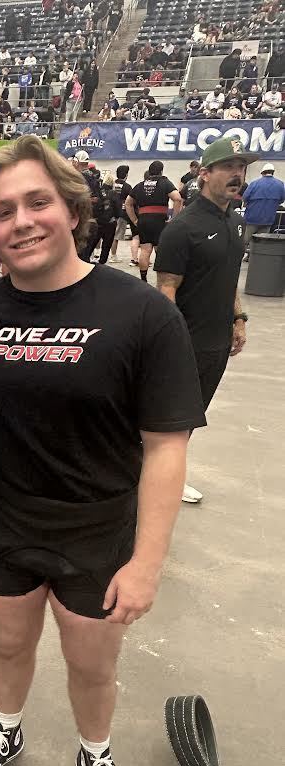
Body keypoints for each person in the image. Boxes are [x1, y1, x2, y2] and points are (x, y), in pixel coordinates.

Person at [0, 136, 205, 766]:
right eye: (1, 212)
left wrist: (146, 563)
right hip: (5, 529)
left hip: (99, 537)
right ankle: (5, 732)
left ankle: (95, 757)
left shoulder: (141, 313)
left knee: (91, 666)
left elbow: (166, 445)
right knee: (8, 647)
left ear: (72, 208)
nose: (19, 221)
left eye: (36, 202)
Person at [155, 137, 257, 504]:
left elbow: (228, 277)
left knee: (193, 416)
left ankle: (169, 473)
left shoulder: (233, 221)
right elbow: (166, 290)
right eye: (228, 167)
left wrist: (239, 318)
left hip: (218, 341)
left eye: (241, 168)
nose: (237, 174)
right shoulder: (183, 228)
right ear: (205, 173)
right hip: (187, 343)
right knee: (170, 419)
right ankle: (154, 477)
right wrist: (170, 345)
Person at [125, 161, 182, 282]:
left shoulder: (140, 185)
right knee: (160, 251)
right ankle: (161, 280)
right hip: (159, 220)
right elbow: (177, 198)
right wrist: (174, 219)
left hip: (143, 220)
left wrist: (134, 219)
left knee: (145, 250)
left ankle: (143, 279)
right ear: (161, 171)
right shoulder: (164, 183)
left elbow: (128, 203)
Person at [241, 163, 285, 258]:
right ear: (273, 172)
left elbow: (245, 197)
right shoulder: (280, 185)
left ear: (262, 172)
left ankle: (239, 258)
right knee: (261, 242)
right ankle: (255, 260)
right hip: (268, 220)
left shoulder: (255, 183)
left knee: (244, 241)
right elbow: (282, 199)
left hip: (251, 219)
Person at [109, 164, 133, 263]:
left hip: (110, 212)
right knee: (116, 236)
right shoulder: (127, 187)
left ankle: (109, 254)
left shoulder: (112, 185)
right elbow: (130, 201)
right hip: (121, 213)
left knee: (111, 234)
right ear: (126, 175)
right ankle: (113, 256)